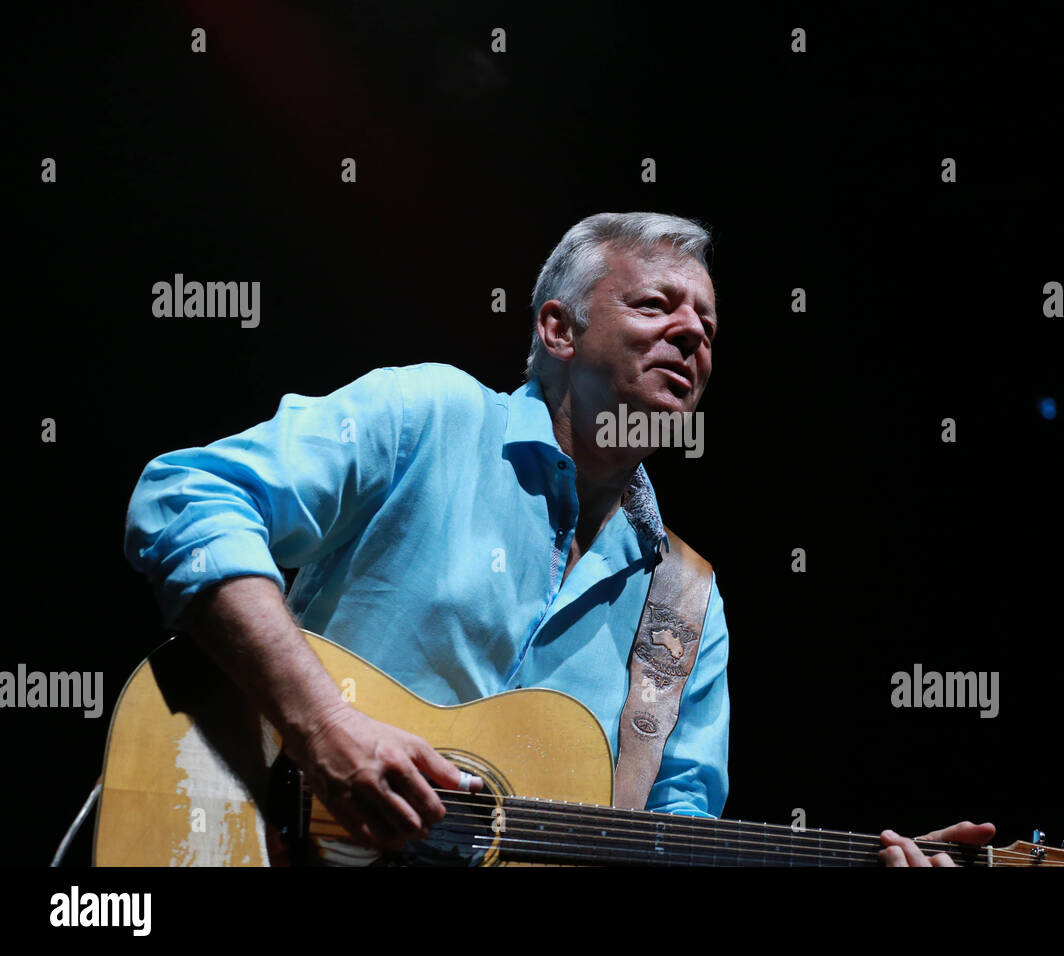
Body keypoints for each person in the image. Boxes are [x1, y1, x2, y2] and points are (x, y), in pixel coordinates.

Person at [124, 210, 991, 865]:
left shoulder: (686, 601)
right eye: (657, 305)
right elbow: (186, 497)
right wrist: (322, 730)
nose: (692, 332)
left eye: (709, 327)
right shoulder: (429, 417)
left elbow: (673, 842)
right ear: (558, 329)